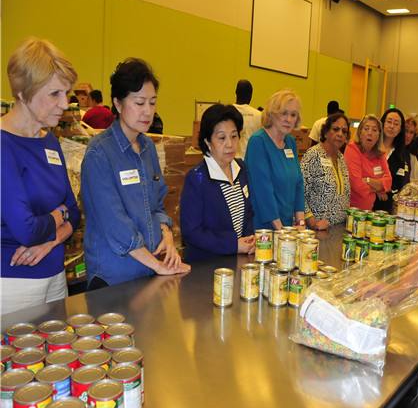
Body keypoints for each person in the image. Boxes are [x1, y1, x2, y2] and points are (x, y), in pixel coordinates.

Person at [81, 58, 190, 289]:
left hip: (147, 270)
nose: (148, 112)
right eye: (139, 103)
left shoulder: (148, 147)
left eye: (152, 103)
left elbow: (157, 203)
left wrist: (167, 234)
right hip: (113, 277)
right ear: (118, 104)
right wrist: (158, 266)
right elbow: (115, 225)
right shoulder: (99, 154)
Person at [0, 38, 81, 314]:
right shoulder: (4, 145)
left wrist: (51, 240)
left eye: (67, 93)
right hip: (14, 283)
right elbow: (26, 229)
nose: (65, 103)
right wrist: (59, 217)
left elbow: (74, 210)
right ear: (23, 94)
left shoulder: (50, 141)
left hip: (55, 276)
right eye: (54, 94)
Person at [180, 104, 255, 261]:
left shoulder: (241, 168)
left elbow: (248, 213)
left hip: (237, 260)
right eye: (222, 138)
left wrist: (249, 238)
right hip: (205, 266)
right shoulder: (196, 178)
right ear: (208, 142)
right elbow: (192, 232)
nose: (229, 144)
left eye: (234, 136)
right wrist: (233, 245)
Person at [245, 89, 305, 229]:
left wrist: (300, 222)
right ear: (272, 113)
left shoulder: (290, 142)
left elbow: (298, 184)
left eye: (293, 115)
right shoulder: (258, 142)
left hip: (287, 228)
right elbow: (262, 191)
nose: (288, 119)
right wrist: (281, 231)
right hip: (265, 228)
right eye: (283, 113)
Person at [301, 113, 351, 228]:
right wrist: (312, 222)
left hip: (339, 228)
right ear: (325, 132)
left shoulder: (341, 158)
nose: (340, 134)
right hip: (317, 230)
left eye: (344, 131)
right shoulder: (313, 155)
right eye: (336, 129)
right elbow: (299, 192)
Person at [344, 114, 392, 211]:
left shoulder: (380, 154)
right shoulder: (352, 149)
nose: (370, 133)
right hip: (350, 210)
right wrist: (378, 188)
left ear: (379, 135)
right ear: (360, 132)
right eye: (366, 129)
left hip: (369, 210)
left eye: (374, 130)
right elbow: (357, 185)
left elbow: (388, 181)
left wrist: (368, 180)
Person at [373, 107, 412, 212]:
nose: (391, 126)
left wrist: (383, 188)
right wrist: (376, 188)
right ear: (382, 124)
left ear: (400, 129)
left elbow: (401, 181)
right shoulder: (371, 146)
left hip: (386, 205)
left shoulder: (402, 154)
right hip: (364, 199)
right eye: (389, 122)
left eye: (396, 124)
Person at [233, 79, 261, 158]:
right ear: (251, 96)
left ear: (236, 93)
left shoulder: (227, 112)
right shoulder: (259, 115)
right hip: (252, 160)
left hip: (231, 161)